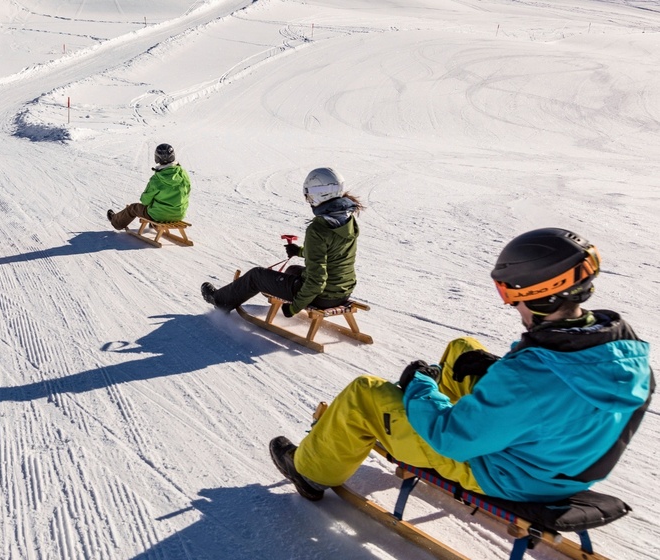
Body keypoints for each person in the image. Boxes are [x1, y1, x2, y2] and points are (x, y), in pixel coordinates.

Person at [270, 227, 654, 504]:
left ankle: (309, 472)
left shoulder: (528, 378)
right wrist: (497, 378)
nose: (509, 303)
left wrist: (420, 387)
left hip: (504, 474)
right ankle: (443, 415)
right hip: (561, 462)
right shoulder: (625, 349)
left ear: (539, 294)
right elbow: (551, 394)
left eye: (510, 292)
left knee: (364, 395)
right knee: (463, 351)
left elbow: (452, 439)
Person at [201, 167, 362, 315]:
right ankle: (284, 288)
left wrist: (294, 307)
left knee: (256, 276)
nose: (308, 199)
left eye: (308, 195)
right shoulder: (347, 220)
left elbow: (317, 281)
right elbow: (332, 253)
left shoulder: (318, 228)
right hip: (342, 292)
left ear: (319, 194)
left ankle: (220, 300)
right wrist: (299, 251)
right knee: (292, 270)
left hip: (321, 297)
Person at [107, 143, 191, 230]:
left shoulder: (157, 179)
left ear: (157, 158)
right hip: (179, 214)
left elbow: (145, 201)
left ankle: (116, 222)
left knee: (133, 208)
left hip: (159, 215)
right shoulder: (183, 174)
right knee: (160, 201)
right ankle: (154, 223)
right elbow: (187, 192)